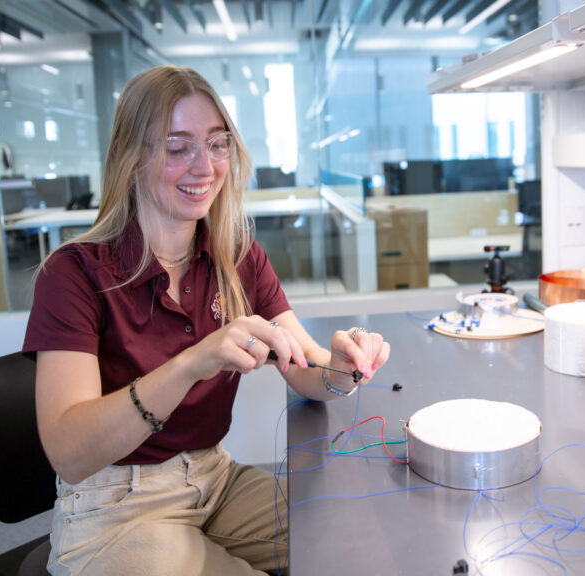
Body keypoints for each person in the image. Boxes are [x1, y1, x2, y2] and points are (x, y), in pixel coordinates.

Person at [22, 65, 390, 576]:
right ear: (132, 158)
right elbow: (69, 453)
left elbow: (306, 365)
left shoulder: (235, 255)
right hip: (113, 510)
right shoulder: (74, 274)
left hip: (214, 478)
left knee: (355, 535)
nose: (205, 167)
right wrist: (192, 363)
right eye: (178, 147)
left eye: (217, 145)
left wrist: (345, 366)